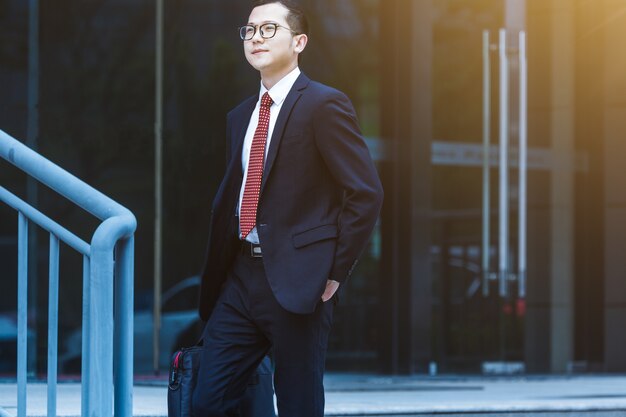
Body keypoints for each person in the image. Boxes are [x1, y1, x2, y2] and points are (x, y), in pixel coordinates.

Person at [192, 1, 383, 416]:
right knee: (205, 401)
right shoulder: (240, 116)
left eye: (268, 29)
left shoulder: (323, 105)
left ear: (299, 41)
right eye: (249, 30)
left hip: (301, 281)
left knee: (298, 404)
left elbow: (365, 192)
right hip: (241, 279)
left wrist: (335, 271)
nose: (255, 37)